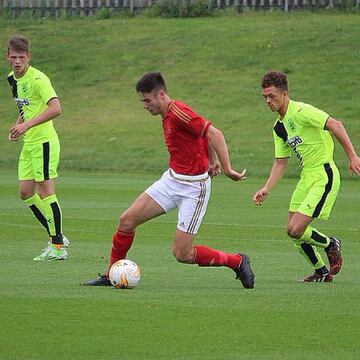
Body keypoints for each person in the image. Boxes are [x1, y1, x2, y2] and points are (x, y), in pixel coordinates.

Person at [84, 72, 255, 289]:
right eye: (142, 101)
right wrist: (211, 159)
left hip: (194, 189)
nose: (144, 105)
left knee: (182, 254)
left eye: (147, 100)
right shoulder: (167, 114)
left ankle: (237, 261)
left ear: (161, 95)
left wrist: (227, 168)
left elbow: (214, 133)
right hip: (172, 180)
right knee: (126, 221)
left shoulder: (179, 113)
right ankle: (112, 275)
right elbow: (200, 134)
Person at [253, 71, 360, 282]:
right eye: (265, 96)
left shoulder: (302, 111)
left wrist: (352, 156)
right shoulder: (279, 128)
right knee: (291, 230)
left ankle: (330, 244)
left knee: (296, 228)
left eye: (272, 96)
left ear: (284, 94)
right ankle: (321, 271)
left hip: (324, 174)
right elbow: (280, 162)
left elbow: (335, 124)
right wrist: (267, 187)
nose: (268, 101)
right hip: (306, 178)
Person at [6, 35, 69, 261]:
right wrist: (18, 125)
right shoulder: (12, 79)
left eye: (21, 57)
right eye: (13, 57)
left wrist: (26, 125)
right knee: (25, 193)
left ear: (29, 57)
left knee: (45, 191)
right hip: (29, 142)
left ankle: (58, 246)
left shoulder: (38, 79)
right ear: (7, 57)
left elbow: (56, 108)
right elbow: (26, 108)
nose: (17, 61)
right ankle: (56, 234)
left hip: (44, 141)